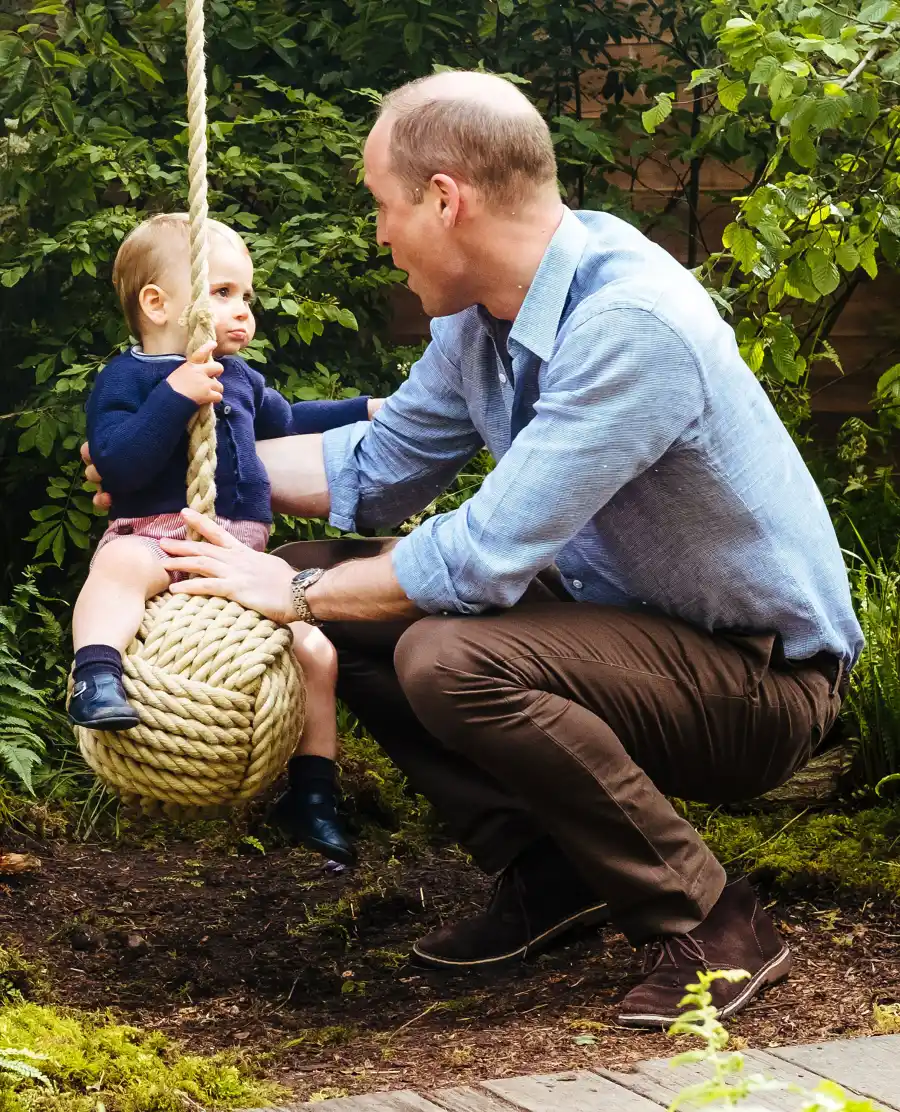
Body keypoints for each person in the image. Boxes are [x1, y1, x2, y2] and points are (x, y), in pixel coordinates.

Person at [84, 72, 863, 1028]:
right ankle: (551, 872)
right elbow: (378, 465)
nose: (378, 234)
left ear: (444, 199)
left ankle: (713, 923)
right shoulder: (479, 319)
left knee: (440, 652)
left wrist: (287, 587)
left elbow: (483, 556)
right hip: (626, 636)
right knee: (339, 582)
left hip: (758, 684)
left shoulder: (629, 325)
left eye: (382, 206)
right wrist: (168, 470)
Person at [71, 212, 384, 866]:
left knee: (315, 652)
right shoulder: (126, 380)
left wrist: (364, 409)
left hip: (239, 559)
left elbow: (291, 420)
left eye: (247, 296)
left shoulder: (238, 377)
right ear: (156, 304)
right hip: (159, 539)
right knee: (120, 566)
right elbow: (120, 462)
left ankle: (313, 795)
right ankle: (96, 675)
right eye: (222, 293)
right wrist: (176, 397)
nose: (243, 311)